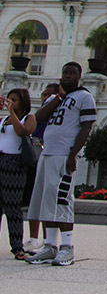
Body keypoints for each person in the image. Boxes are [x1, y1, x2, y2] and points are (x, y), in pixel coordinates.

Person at [25, 62, 96, 267]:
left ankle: (67, 247)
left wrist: (73, 153)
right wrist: (57, 96)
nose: (68, 76)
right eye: (65, 72)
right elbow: (38, 118)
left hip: (64, 154)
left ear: (79, 76)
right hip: (48, 153)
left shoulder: (84, 97)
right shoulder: (60, 99)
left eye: (72, 73)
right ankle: (49, 245)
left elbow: (86, 127)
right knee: (46, 200)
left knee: (62, 200)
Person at [22, 83, 59, 254]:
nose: (45, 98)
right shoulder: (42, 112)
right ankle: (34, 238)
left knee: (45, 200)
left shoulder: (55, 109)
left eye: (49, 95)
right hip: (36, 151)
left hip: (47, 152)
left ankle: (46, 240)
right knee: (35, 199)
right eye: (44, 95)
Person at [0, 88, 37, 260]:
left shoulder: (27, 118)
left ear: (22, 102)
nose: (10, 102)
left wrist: (12, 114)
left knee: (12, 207)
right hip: (1, 159)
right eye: (9, 99)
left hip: (15, 164)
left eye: (14, 100)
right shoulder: (3, 120)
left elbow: (22, 131)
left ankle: (17, 247)